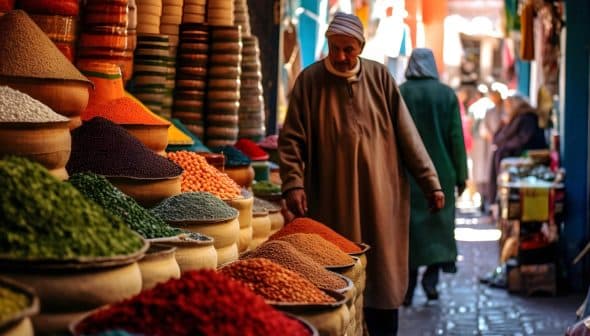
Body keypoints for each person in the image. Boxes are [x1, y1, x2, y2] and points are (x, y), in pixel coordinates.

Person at [278, 13, 445, 336]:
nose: (341, 56)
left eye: (348, 49)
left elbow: (408, 136)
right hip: (330, 201)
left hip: (381, 201)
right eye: (335, 48)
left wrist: (430, 183)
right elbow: (292, 140)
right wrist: (293, 183)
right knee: (335, 278)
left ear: (361, 47)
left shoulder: (380, 78)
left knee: (382, 281)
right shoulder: (309, 82)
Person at [398, 49, 468, 306]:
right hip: (442, 175)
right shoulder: (446, 94)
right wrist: (461, 176)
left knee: (410, 232)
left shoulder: (401, 92)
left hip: (408, 176)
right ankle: (432, 282)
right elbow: (456, 138)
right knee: (438, 230)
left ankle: (407, 287)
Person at [488, 94, 547, 202]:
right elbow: (498, 139)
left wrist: (504, 146)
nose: (506, 109)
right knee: (497, 153)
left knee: (500, 153)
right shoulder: (515, 118)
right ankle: (495, 199)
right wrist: (502, 125)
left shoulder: (526, 117)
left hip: (525, 154)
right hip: (514, 152)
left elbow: (522, 140)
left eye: (508, 106)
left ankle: (497, 199)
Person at [472, 89, 505, 211]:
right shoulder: (489, 111)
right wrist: (492, 136)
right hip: (490, 145)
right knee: (485, 172)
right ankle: (486, 201)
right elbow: (484, 128)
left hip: (502, 146)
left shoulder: (504, 109)